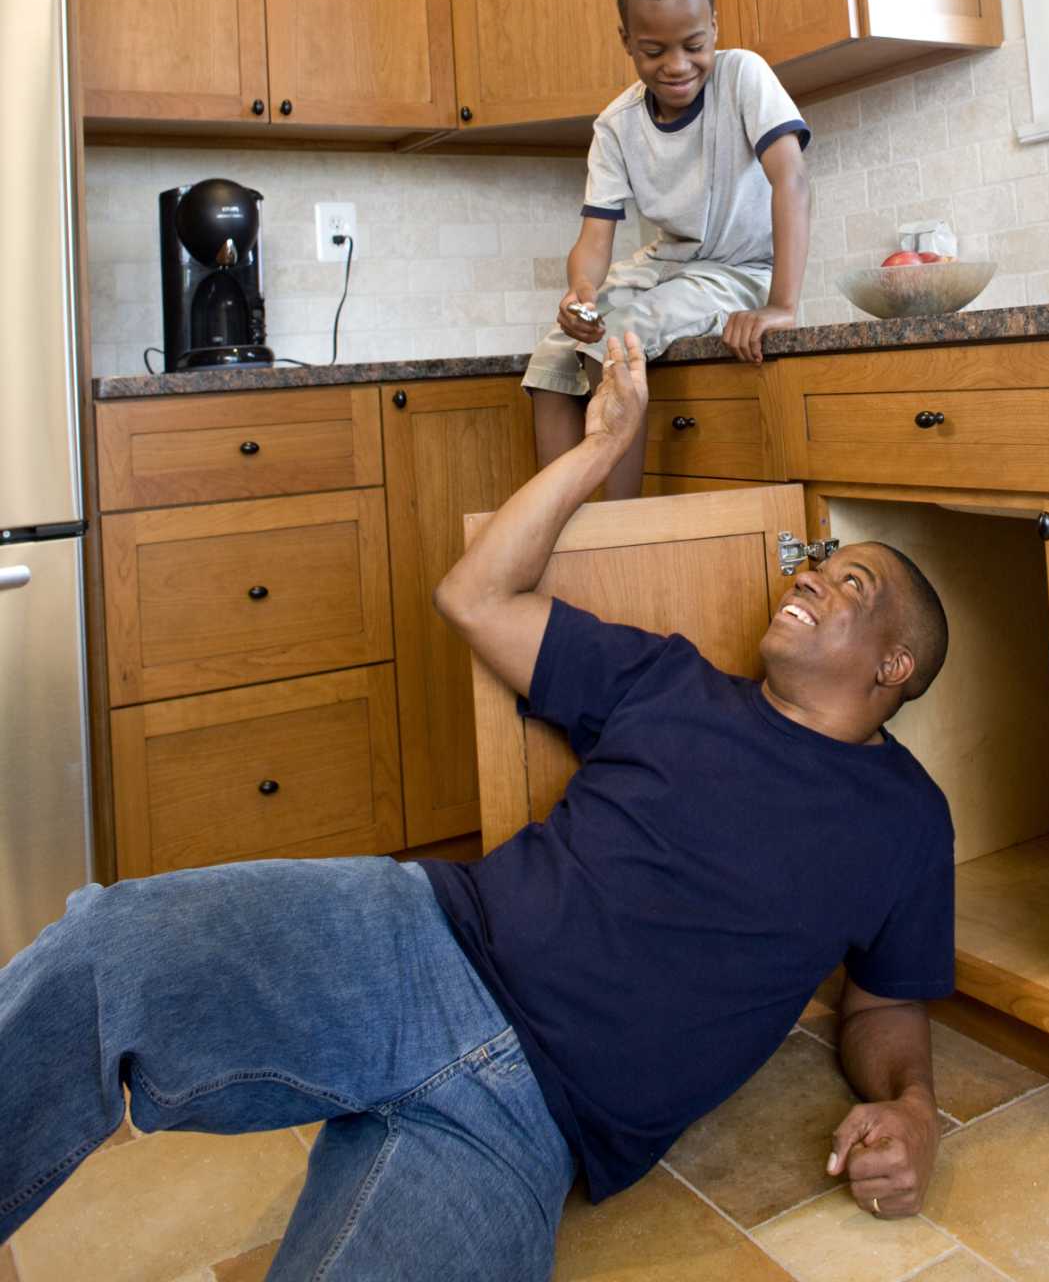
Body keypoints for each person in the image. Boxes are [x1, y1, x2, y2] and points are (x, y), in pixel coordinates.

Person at [0, 336, 953, 1281]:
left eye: (849, 582)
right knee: (109, 952)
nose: (811, 577)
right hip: (414, 947)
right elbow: (474, 595)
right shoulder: (669, 682)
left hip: (528, 1131)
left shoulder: (908, 821)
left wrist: (913, 1110)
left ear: (892, 666)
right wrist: (596, 448)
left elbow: (885, 1005)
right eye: (816, 564)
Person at [523, 0, 812, 497]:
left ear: (714, 27)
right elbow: (594, 237)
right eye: (654, 50)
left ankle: (622, 531)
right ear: (626, 41)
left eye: (694, 45)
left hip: (741, 268)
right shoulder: (616, 124)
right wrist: (580, 292)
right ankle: (558, 529)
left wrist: (780, 305)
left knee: (618, 342)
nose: (677, 65)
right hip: (669, 265)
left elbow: (791, 180)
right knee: (555, 355)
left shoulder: (744, 76)